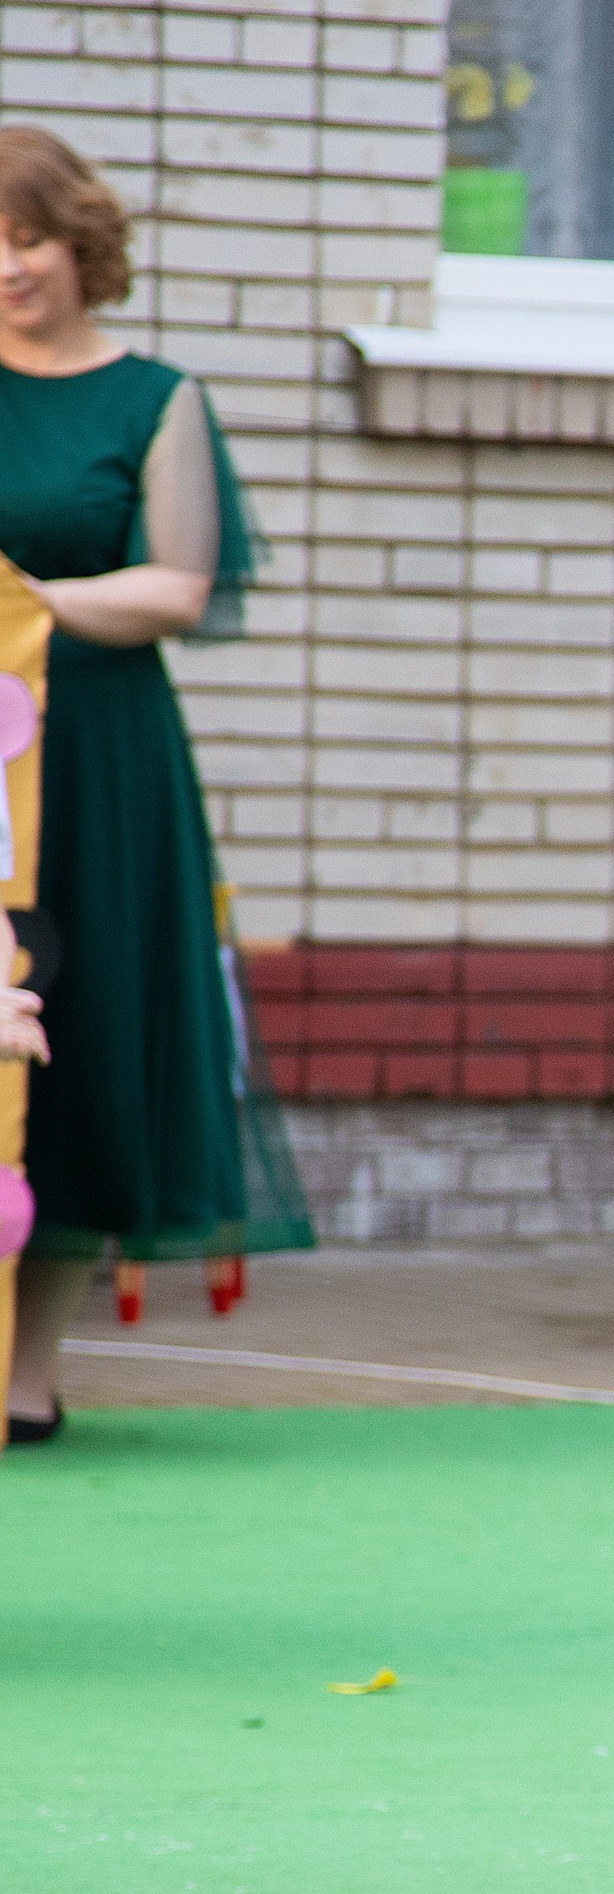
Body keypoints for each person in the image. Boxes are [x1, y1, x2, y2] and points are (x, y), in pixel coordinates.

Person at [0, 126, 312, 1443]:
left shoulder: (156, 395)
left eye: (28, 236)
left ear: (83, 246)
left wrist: (16, 605)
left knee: (81, 1030)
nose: (8, 266)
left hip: (97, 756)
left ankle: (27, 1377)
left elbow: (176, 586)